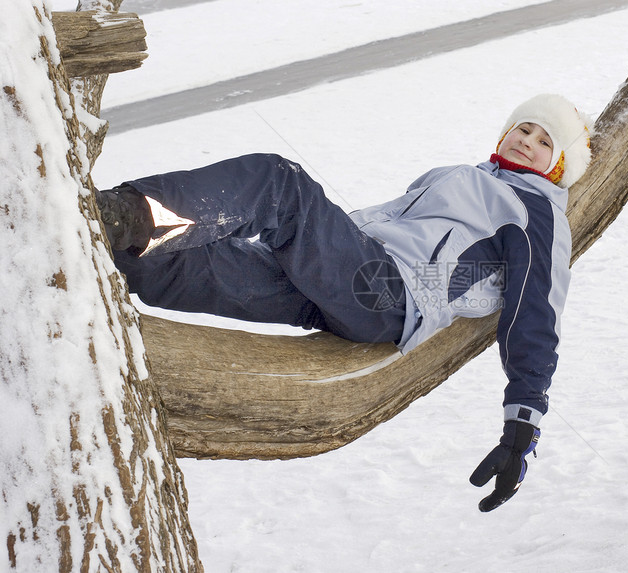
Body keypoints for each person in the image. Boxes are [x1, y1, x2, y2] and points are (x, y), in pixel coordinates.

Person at [97, 94, 593, 512]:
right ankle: (99, 251)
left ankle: (122, 213)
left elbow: (537, 313)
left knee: (280, 182)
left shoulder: (536, 215)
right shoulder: (473, 177)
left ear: (561, 166)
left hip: (389, 289)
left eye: (545, 140)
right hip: (348, 283)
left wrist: (522, 426)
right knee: (202, 262)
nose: (527, 140)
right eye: (523, 128)